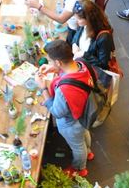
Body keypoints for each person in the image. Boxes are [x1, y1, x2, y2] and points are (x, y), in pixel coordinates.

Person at [35, 40, 96, 177]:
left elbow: (57, 112)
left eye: (51, 62)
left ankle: (80, 168)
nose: (50, 64)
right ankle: (89, 152)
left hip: (71, 122)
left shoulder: (65, 89)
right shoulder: (81, 63)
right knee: (83, 134)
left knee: (77, 145)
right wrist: (56, 69)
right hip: (84, 113)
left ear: (58, 62)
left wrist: (43, 87)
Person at [69, 0, 116, 75]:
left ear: (89, 19)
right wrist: (74, 43)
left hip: (93, 71)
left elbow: (103, 65)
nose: (76, 21)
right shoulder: (83, 25)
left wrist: (84, 55)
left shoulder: (104, 38)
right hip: (82, 63)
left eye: (79, 19)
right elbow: (77, 35)